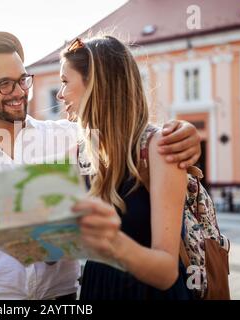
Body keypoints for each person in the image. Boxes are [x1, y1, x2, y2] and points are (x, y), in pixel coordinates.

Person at [0, 31, 201, 300]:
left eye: (23, 80)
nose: (20, 92)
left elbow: (125, 133)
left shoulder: (71, 138)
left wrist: (186, 133)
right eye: (5, 84)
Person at [64, 36, 194, 299]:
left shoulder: (158, 148)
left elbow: (167, 272)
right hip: (96, 289)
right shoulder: (78, 154)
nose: (59, 93)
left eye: (65, 81)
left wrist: (110, 240)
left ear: (95, 86)